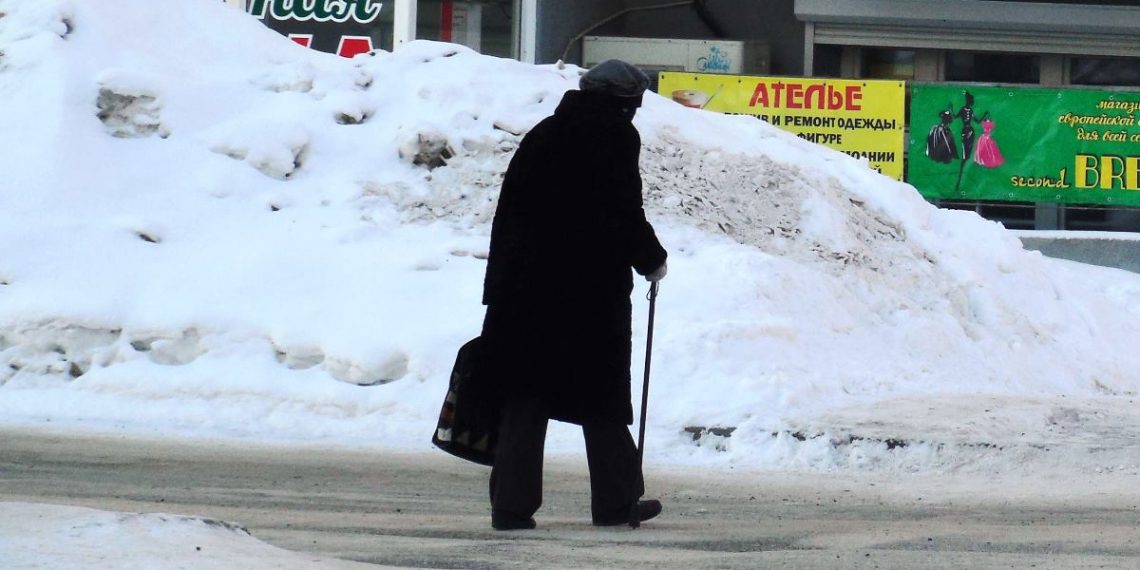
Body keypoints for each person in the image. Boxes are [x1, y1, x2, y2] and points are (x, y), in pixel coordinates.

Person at [477, 59, 668, 531]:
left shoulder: (544, 133)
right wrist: (651, 259)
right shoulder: (615, 136)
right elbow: (621, 209)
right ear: (624, 101)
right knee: (600, 398)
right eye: (635, 102)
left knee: (526, 396)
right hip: (587, 294)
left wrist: (498, 290)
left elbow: (509, 216)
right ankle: (616, 502)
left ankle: (511, 507)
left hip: (526, 293)